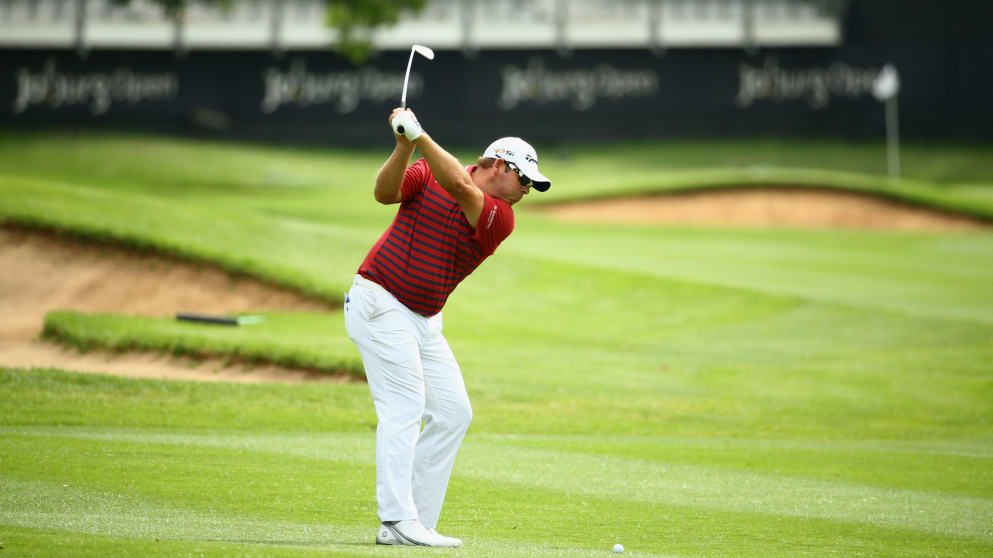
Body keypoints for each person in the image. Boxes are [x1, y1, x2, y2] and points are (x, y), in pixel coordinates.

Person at [344, 108, 551, 547]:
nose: (527, 191)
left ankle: (407, 522)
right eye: (525, 180)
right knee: (405, 406)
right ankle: (399, 519)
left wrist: (418, 134)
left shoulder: (500, 215)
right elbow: (384, 194)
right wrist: (403, 147)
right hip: (380, 300)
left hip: (423, 319)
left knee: (455, 412)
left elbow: (459, 184)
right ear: (499, 165)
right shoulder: (428, 169)